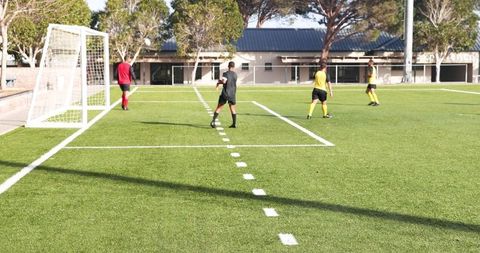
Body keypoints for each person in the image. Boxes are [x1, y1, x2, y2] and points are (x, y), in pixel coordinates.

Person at [211, 61, 238, 128]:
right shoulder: (235, 74)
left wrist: (218, 82)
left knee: (219, 107)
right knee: (232, 108)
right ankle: (234, 124)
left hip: (225, 93)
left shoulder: (225, 74)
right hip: (232, 93)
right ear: (234, 67)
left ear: (228, 66)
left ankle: (213, 121)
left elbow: (224, 81)